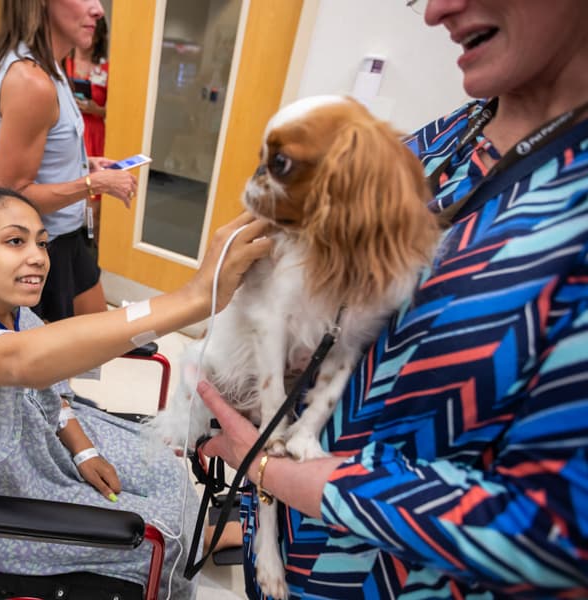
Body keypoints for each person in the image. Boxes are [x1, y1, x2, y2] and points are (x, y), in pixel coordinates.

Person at [197, 0, 588, 598]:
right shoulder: (452, 133)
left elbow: (562, 532)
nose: (436, 12)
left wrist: (277, 472)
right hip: (281, 537)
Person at [0, 185, 272, 598]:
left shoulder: (1, 306)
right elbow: (24, 363)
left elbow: (48, 385)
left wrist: (83, 450)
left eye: (42, 242)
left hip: (38, 444)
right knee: (161, 538)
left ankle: (200, 534)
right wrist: (193, 298)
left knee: (165, 469)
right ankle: (187, 545)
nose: (38, 257)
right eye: (15, 241)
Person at [0, 0, 136, 323]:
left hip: (68, 236)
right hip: (44, 248)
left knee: (97, 336)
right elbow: (14, 193)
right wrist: (94, 184)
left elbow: (44, 151)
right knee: (58, 366)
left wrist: (84, 164)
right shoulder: (31, 82)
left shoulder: (50, 68)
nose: (98, 10)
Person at [64, 16, 109, 240]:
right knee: (65, 189)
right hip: (68, 132)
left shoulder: (107, 69)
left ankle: (91, 240)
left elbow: (116, 112)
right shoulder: (62, 63)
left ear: (99, 36)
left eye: (93, 32)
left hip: (95, 134)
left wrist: (95, 108)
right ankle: (68, 238)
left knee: (93, 198)